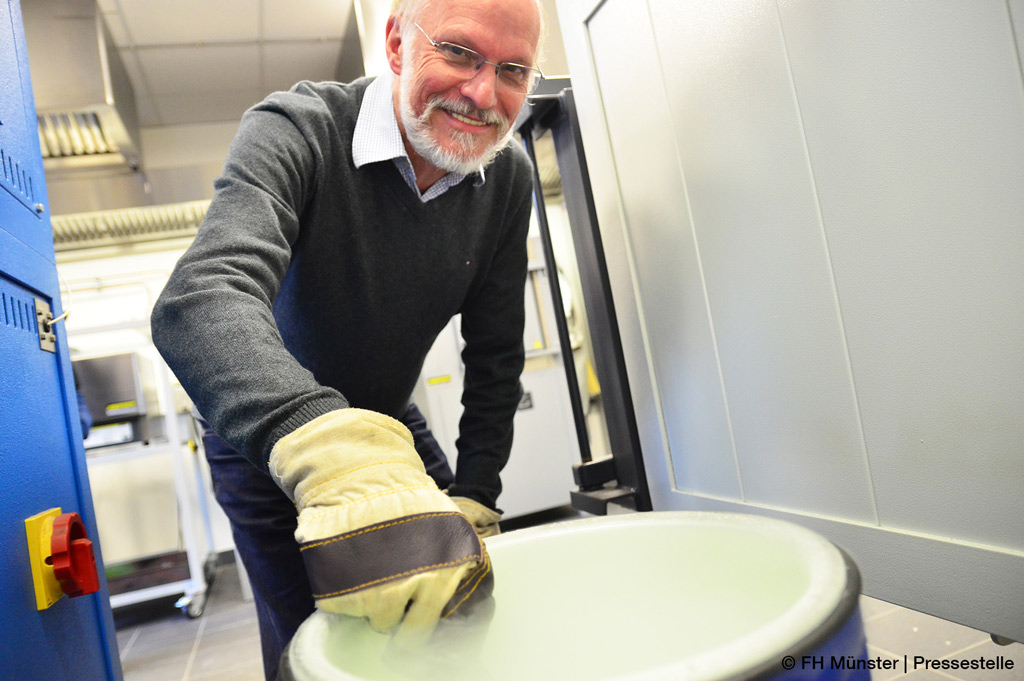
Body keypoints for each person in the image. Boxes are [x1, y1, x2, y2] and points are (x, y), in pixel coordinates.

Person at [150, 0, 544, 677]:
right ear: (396, 43)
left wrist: (478, 487)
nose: (483, 93)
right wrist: (319, 442)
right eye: (458, 53)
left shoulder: (506, 181)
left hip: (384, 418)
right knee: (318, 647)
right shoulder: (296, 130)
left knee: (461, 604)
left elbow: (497, 353)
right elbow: (201, 297)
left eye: (512, 69)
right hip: (264, 439)